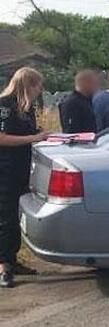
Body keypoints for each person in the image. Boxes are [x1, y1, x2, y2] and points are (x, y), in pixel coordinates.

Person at [0, 68, 49, 288]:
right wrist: (34, 137)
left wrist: (41, 136)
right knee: (5, 217)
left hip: (21, 167)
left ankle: (12, 258)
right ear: (28, 85)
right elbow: (2, 138)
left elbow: (26, 133)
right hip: (5, 168)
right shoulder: (4, 104)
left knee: (17, 216)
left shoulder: (25, 107)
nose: (39, 91)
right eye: (38, 86)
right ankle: (4, 266)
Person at [57, 69, 99, 134]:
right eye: (94, 83)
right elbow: (71, 132)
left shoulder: (88, 101)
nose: (97, 87)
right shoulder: (72, 104)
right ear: (86, 83)